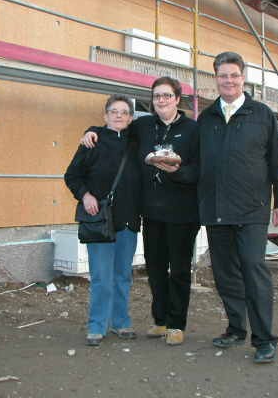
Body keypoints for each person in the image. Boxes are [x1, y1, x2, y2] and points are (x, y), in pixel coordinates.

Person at [81, 77, 200, 345]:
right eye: (157, 96)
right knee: (156, 268)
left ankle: (176, 325)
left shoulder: (193, 129)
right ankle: (160, 320)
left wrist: (178, 171)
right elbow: (114, 125)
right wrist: (89, 131)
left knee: (179, 270)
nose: (161, 100)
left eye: (167, 96)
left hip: (182, 212)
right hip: (151, 212)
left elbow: (200, 169)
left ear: (177, 99)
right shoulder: (144, 126)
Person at [197, 51, 278, 364]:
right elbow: (196, 164)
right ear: (216, 79)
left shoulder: (261, 114)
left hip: (252, 209)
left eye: (234, 75)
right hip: (216, 210)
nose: (229, 81)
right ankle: (236, 328)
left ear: (243, 78)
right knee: (225, 275)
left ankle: (264, 339)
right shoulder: (206, 118)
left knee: (253, 271)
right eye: (223, 75)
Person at [64, 95, 141, 347]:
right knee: (100, 276)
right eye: (113, 111)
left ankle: (120, 322)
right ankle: (97, 325)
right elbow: (72, 175)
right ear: (105, 115)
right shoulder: (92, 142)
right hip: (99, 220)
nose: (118, 115)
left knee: (123, 276)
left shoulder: (135, 143)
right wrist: (85, 195)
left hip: (128, 220)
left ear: (130, 118)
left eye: (124, 112)